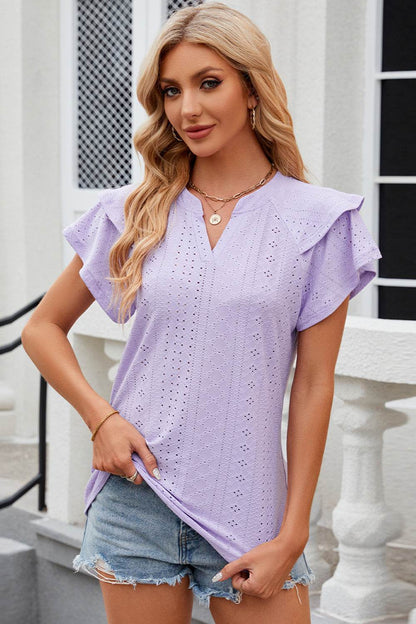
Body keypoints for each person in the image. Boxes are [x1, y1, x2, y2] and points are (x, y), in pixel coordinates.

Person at [21, 2, 382, 623]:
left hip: (253, 509)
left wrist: (294, 533)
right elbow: (41, 328)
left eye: (208, 83)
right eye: (171, 90)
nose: (187, 108)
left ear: (252, 88)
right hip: (137, 499)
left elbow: (314, 384)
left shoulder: (318, 221)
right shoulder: (134, 213)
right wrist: (101, 418)